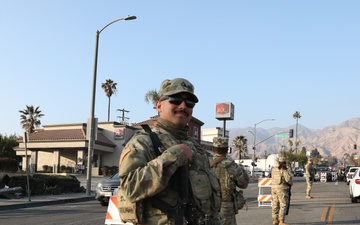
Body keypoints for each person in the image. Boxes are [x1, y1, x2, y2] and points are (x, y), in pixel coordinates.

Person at [118, 78, 222, 225]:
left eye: (189, 103)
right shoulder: (144, 141)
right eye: (175, 99)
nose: (183, 106)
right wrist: (174, 157)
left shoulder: (194, 145)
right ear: (159, 105)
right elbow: (129, 187)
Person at [209, 137, 249, 225]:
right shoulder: (232, 166)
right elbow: (244, 184)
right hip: (226, 207)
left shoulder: (205, 164)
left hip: (208, 206)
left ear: (212, 149)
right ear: (227, 150)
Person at [271, 157, 293, 225]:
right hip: (282, 189)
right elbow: (288, 179)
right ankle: (281, 221)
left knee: (275, 204)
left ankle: (275, 219)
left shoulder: (274, 169)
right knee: (283, 205)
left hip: (274, 188)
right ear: (284, 163)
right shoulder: (284, 170)